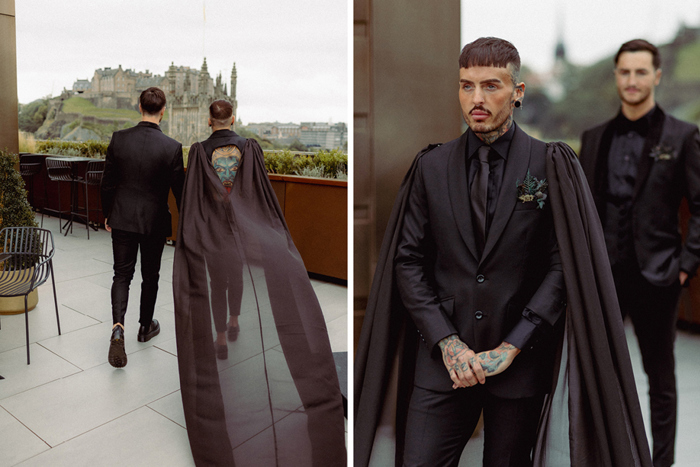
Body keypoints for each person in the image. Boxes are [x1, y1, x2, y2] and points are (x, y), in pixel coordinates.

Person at [355, 37, 652, 467]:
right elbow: (407, 261)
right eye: (466, 85)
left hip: (519, 366)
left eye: (491, 86)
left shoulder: (551, 164)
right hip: (443, 366)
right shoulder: (430, 167)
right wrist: (448, 343)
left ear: (517, 92)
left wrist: (513, 345)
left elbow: (561, 266)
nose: (476, 99)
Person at [172, 100, 346, 465]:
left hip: (212, 237)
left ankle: (220, 335)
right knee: (236, 278)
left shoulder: (199, 152)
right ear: (233, 118)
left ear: (209, 120)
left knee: (213, 283)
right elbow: (260, 197)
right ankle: (235, 321)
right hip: (245, 236)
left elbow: (194, 201)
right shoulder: (249, 147)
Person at [579, 39, 700, 467]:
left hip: (657, 277)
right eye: (625, 72)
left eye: (641, 72)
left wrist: (684, 267)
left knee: (661, 381)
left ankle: (661, 463)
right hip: (603, 279)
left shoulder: (682, 137)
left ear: (657, 76)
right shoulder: (592, 139)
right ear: (616, 76)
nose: (632, 81)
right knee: (598, 377)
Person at [101, 86, 185, 368]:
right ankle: (145, 326)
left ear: (139, 108)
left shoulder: (119, 139)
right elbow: (179, 191)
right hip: (154, 222)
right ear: (163, 111)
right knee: (150, 276)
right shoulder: (172, 148)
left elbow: (107, 183)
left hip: (122, 217)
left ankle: (117, 327)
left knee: (121, 275)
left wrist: (108, 214)